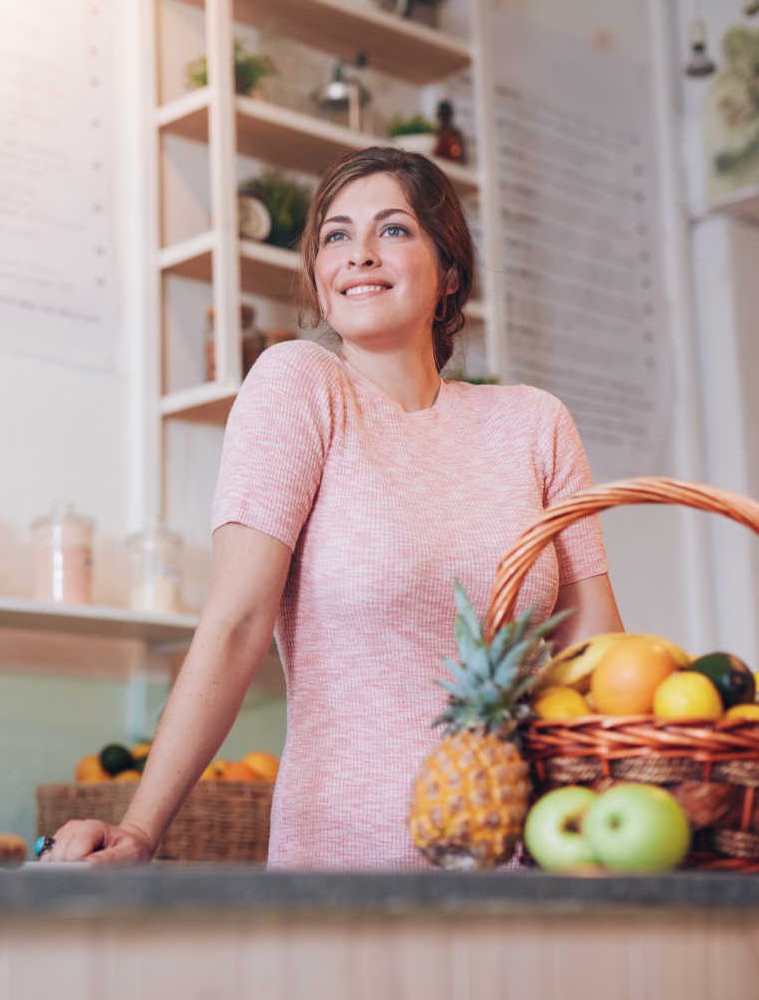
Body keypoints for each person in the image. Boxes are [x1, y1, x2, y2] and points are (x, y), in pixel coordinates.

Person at [43, 146, 623, 870]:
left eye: (395, 230)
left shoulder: (536, 423)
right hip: (349, 862)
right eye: (336, 236)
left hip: (536, 852)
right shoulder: (299, 384)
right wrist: (141, 829)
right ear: (318, 276)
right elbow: (237, 621)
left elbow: (596, 651)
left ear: (448, 274)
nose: (360, 254)